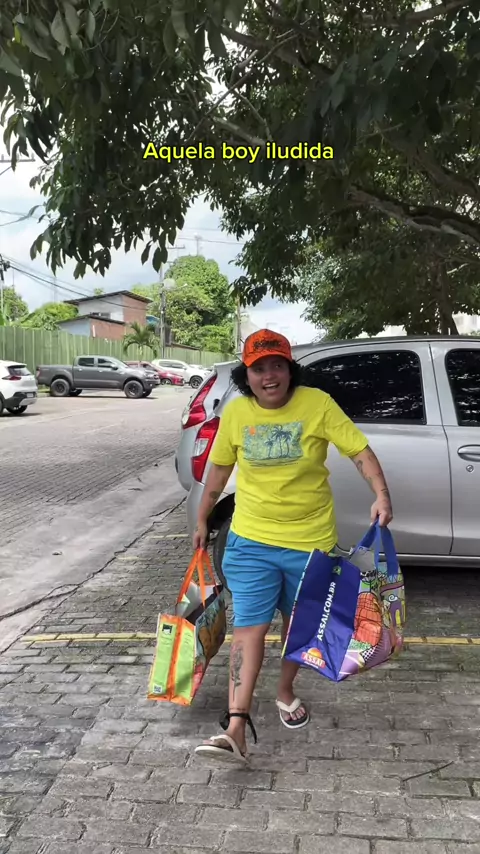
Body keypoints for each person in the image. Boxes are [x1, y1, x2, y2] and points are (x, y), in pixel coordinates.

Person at [192, 329, 393, 765]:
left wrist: (381, 494)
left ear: (289, 369)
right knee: (249, 626)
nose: (269, 376)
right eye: (259, 369)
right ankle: (236, 726)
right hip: (251, 541)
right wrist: (202, 517)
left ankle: (284, 690)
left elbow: (359, 451)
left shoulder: (317, 404)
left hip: (310, 544)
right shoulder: (237, 412)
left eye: (277, 366)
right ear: (247, 375)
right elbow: (220, 470)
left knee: (299, 627)